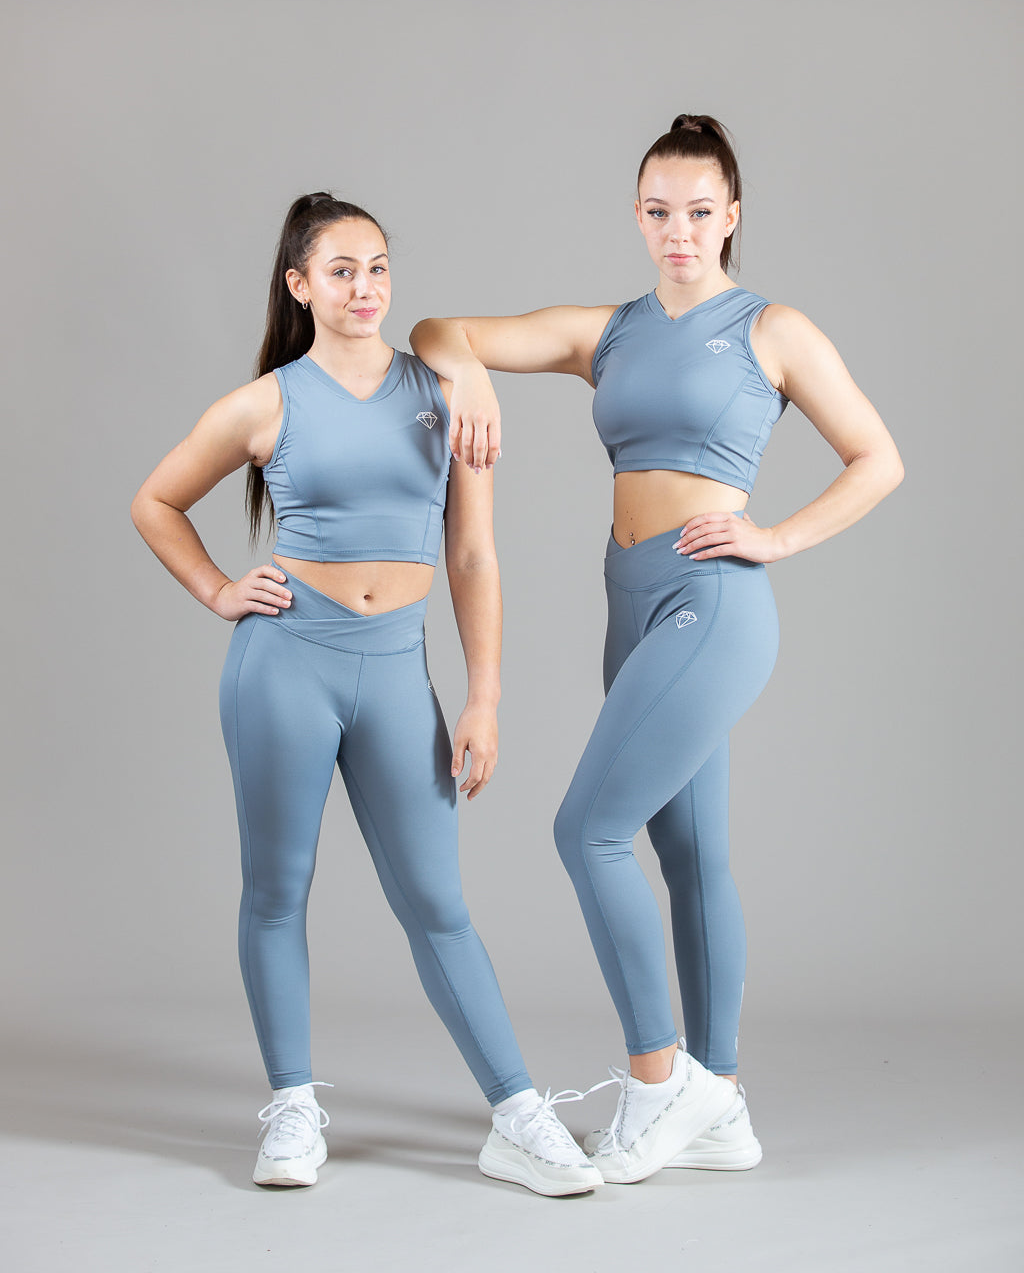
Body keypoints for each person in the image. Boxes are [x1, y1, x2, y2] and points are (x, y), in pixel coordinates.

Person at [410, 115, 904, 1185]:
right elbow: (439, 329)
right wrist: (472, 379)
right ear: (637, 216)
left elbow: (878, 458)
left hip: (711, 601)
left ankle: (658, 1080)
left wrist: (776, 537)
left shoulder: (772, 330)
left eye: (697, 211)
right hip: (628, 603)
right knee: (687, 854)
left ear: (731, 217)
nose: (678, 230)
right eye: (657, 211)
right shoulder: (609, 332)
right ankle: (720, 1105)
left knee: (588, 830)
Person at [130, 192, 604, 1197]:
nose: (365, 287)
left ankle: (518, 1114)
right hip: (284, 666)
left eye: (377, 266)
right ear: (300, 286)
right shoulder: (267, 402)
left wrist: (484, 696)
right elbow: (156, 500)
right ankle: (292, 1110)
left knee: (438, 902)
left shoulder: (444, 390)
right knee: (277, 890)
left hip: (395, 671)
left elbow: (472, 555)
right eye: (341, 270)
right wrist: (218, 589)